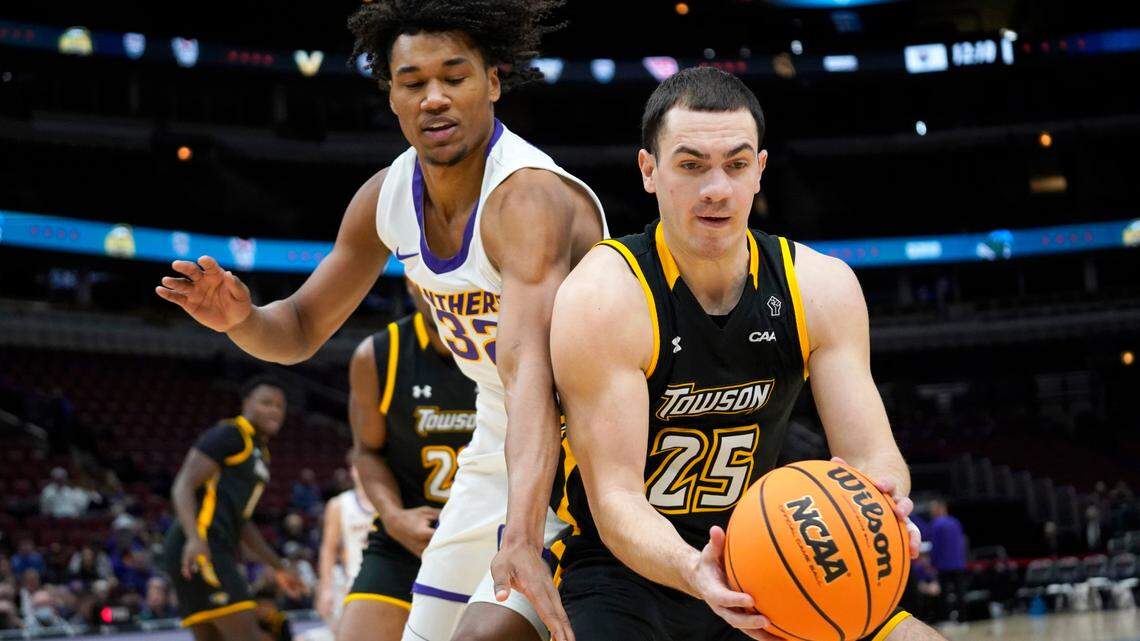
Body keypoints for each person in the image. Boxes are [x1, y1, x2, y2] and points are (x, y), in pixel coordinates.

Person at [155, 1, 607, 639]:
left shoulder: (527, 198)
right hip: (503, 431)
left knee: (485, 635)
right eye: (413, 82)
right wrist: (240, 318)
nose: (434, 97)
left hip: (591, 436)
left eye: (454, 76)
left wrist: (523, 536)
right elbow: (299, 329)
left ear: (493, 82)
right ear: (391, 96)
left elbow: (532, 374)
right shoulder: (386, 196)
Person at [548, 67, 942, 640]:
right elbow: (615, 500)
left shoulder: (819, 287)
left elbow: (871, 454)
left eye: (735, 165)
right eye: (691, 165)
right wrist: (695, 570)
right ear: (649, 171)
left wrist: (884, 503)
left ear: (759, 170)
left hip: (770, 553)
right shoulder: (605, 295)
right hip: (624, 571)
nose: (717, 189)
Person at [339, 281, 478, 641]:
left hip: (491, 532)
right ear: (411, 281)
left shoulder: (507, 342)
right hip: (409, 534)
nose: (443, 288)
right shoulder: (379, 355)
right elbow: (367, 451)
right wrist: (394, 517)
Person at [161, 376, 305, 640]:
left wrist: (278, 567)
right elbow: (183, 485)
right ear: (247, 404)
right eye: (266, 403)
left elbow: (242, 522)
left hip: (216, 547)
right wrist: (194, 539)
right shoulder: (230, 434)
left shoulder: (260, 452)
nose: (274, 410)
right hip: (202, 547)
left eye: (279, 406)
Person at [310, 457, 377, 640]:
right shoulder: (339, 504)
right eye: (360, 466)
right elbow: (328, 549)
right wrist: (325, 588)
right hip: (351, 580)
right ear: (352, 470)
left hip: (382, 580)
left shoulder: (389, 502)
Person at [927, 498, 967, 622]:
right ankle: (963, 617)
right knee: (960, 591)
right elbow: (962, 542)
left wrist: (932, 562)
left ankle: (946, 618)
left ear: (939, 509)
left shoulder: (936, 524)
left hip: (943, 565)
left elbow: (935, 546)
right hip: (958, 563)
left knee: (944, 593)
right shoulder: (955, 522)